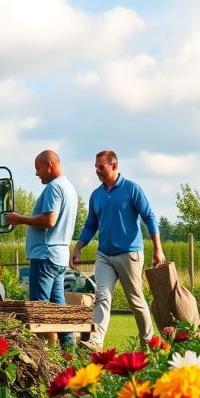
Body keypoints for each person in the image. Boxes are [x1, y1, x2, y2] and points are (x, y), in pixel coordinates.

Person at [69, 150, 164, 350]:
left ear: (114, 166)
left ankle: (148, 343)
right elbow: (90, 225)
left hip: (129, 255)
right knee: (102, 296)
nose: (97, 170)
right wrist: (78, 247)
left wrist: (158, 248)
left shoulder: (132, 189)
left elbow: (149, 217)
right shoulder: (96, 195)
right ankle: (95, 341)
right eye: (95, 166)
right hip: (104, 256)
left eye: (100, 167)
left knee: (136, 301)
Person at [5, 150, 78, 345]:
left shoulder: (54, 187)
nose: (36, 173)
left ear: (50, 165)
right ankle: (69, 349)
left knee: (39, 310)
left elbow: (49, 219)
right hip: (59, 256)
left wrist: (20, 219)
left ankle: (42, 355)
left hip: (46, 255)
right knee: (58, 308)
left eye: (38, 168)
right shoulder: (69, 187)